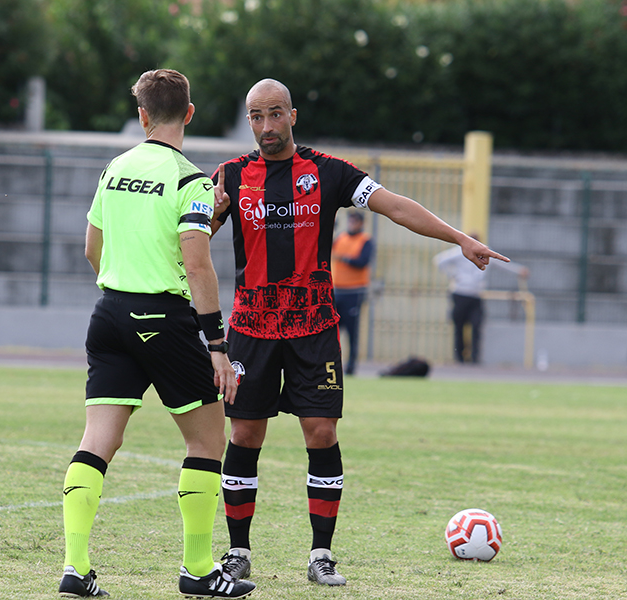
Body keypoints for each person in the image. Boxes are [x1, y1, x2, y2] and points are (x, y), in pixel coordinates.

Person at [209, 78, 509, 587]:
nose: (265, 127)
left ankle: (320, 555)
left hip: (314, 328)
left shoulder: (328, 172)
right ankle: (238, 554)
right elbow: (192, 237)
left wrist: (460, 238)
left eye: (275, 114)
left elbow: (394, 206)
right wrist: (206, 216)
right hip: (252, 328)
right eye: (256, 116)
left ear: (293, 116)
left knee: (321, 433)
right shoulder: (230, 176)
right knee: (244, 434)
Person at [57, 69, 254, 599]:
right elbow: (198, 266)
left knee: (97, 441)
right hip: (161, 319)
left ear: (142, 115)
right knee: (209, 439)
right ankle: (197, 570)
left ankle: (76, 568)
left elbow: (91, 252)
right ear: (189, 114)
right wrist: (217, 344)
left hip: (108, 315)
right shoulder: (192, 181)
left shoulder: (112, 169)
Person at [433, 234, 529, 364]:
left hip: (476, 295)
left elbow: (501, 262)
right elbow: (439, 260)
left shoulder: (484, 253)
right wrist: (454, 275)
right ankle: (459, 359)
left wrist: (518, 270)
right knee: (459, 327)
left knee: (477, 325)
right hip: (460, 293)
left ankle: (474, 358)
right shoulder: (459, 252)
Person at [331, 211, 375, 375]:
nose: (351, 224)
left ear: (361, 223)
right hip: (337, 290)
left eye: (355, 221)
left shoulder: (366, 240)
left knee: (352, 332)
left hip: (355, 291)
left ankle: (351, 367)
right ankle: (332, 365)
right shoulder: (340, 238)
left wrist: (344, 258)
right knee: (333, 331)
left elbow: (362, 262)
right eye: (350, 221)